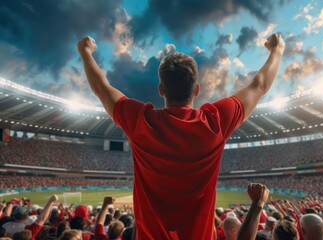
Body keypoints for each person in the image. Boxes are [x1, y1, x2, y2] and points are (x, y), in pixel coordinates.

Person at [78, 32, 285, 239]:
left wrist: (85, 52)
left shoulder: (141, 122)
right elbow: (259, 85)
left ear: (161, 89)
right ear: (196, 90)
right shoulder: (215, 122)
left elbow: (101, 88)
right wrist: (277, 50)